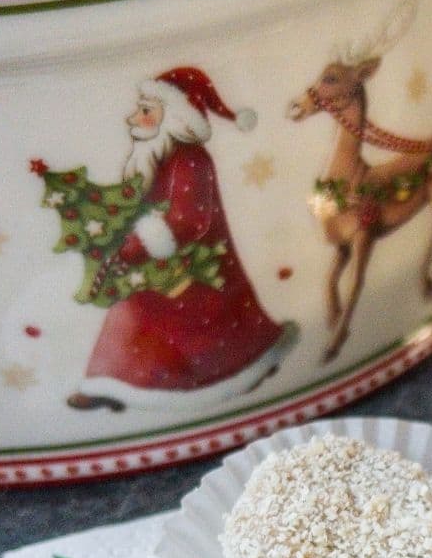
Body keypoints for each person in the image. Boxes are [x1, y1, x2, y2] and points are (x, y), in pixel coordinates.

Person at [68, 67, 293, 411]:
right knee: (133, 311)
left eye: (146, 110)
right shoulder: (153, 156)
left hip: (191, 263)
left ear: (173, 118)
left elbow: (189, 219)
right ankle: (112, 381)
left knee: (197, 324)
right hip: (153, 258)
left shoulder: (189, 160)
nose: (135, 117)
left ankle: (209, 376)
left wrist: (139, 244)